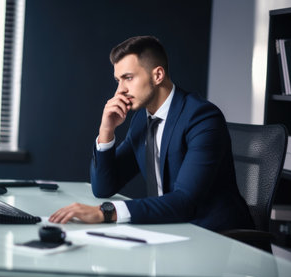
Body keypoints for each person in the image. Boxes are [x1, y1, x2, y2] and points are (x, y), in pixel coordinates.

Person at [49, 35, 253, 231]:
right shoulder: (141, 120)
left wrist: (107, 213)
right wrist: (106, 130)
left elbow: (185, 201)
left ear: (157, 75)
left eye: (128, 78)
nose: (120, 90)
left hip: (216, 238)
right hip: (171, 230)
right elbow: (103, 188)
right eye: (118, 80)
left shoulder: (201, 118)